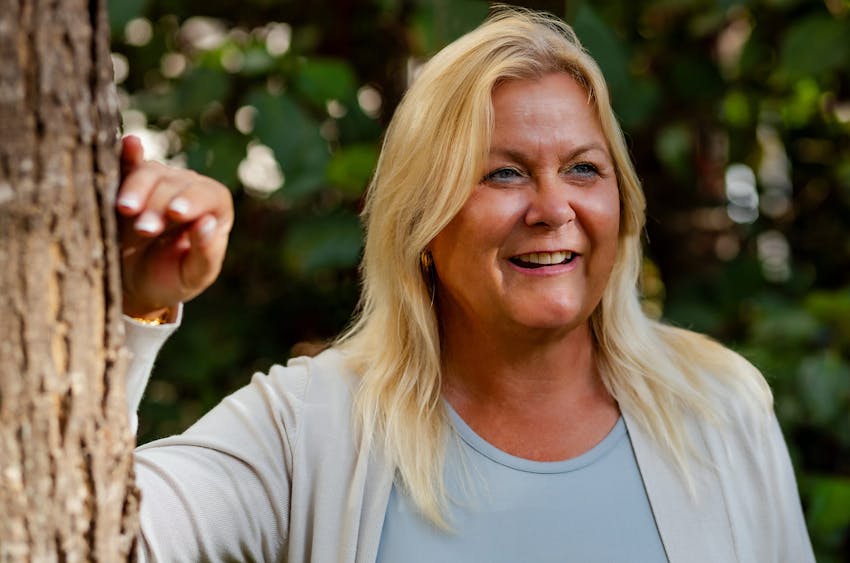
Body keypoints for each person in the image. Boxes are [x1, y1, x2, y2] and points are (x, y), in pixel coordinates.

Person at [117, 7, 815, 562]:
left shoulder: (719, 407)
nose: (552, 208)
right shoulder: (314, 425)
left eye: (582, 169)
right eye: (503, 173)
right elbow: (75, 533)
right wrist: (125, 310)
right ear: (423, 226)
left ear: (622, 202)